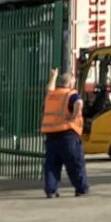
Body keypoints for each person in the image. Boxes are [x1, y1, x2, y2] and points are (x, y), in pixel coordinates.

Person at [41, 69, 87, 198]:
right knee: (75, 163)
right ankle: (81, 188)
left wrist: (53, 76)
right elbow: (79, 102)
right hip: (68, 134)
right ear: (70, 83)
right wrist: (74, 115)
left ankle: (51, 190)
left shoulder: (52, 95)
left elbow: (49, 88)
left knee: (52, 165)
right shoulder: (70, 94)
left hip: (51, 135)